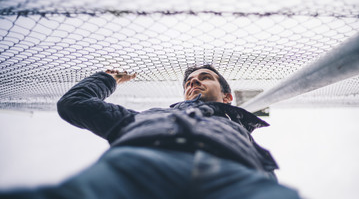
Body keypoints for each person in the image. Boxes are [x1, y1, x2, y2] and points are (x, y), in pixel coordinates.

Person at [1, 65, 300, 199]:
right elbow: (74, 104)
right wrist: (108, 78)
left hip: (232, 170)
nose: (193, 83)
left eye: (204, 78)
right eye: (189, 81)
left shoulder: (238, 127)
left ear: (226, 96)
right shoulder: (142, 118)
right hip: (139, 162)